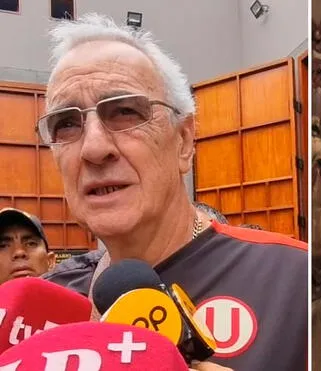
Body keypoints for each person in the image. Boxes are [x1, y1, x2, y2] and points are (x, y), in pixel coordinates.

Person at [38, 14, 307, 371]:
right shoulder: (43, 304)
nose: (93, 148)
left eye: (124, 112)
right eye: (67, 123)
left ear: (183, 142)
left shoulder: (295, 282)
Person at [0, 208, 55, 285]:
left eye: (31, 243)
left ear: (50, 262)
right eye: (3, 246)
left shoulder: (71, 296)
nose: (19, 252)